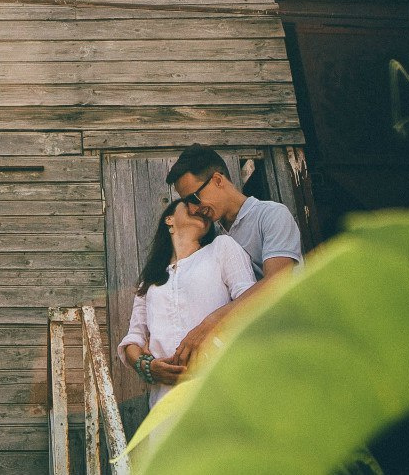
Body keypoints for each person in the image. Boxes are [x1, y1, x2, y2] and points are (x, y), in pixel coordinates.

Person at [165, 144, 303, 366]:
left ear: (218, 180)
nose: (192, 209)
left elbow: (278, 282)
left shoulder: (271, 215)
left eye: (195, 198)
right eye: (186, 203)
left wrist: (210, 323)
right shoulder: (212, 237)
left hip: (286, 348)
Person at [118, 196, 256, 406]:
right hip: (165, 400)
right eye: (190, 204)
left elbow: (252, 302)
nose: (199, 208)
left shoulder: (221, 248)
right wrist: (148, 366)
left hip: (220, 387)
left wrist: (208, 329)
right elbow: (133, 339)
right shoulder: (150, 280)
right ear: (169, 219)